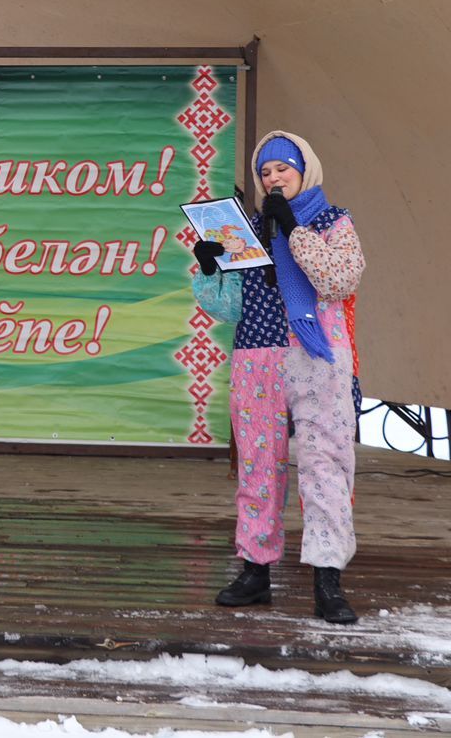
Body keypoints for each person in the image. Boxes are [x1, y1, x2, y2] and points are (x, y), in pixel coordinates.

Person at [191, 130, 365, 624]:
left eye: (282, 169)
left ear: (303, 170)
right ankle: (255, 570)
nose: (273, 178)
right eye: (264, 172)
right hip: (256, 355)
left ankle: (327, 579)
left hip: (316, 355)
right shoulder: (245, 229)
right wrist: (210, 269)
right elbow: (226, 308)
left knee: (325, 462)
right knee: (258, 463)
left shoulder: (332, 221)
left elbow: (340, 279)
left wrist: (294, 230)